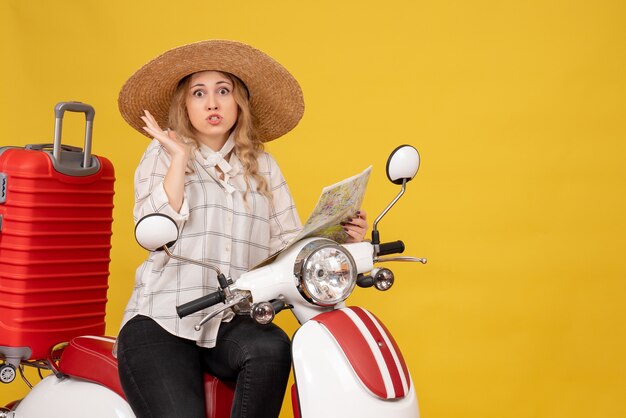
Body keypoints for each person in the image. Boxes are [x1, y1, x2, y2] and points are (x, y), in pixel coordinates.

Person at [115, 40, 368, 418]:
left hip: (233, 319)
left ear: (239, 103)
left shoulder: (263, 165)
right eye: (199, 93)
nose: (212, 104)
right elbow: (155, 230)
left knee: (272, 348)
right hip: (163, 321)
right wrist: (179, 159)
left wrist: (341, 238)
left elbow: (287, 245)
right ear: (186, 105)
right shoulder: (163, 153)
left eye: (223, 91)